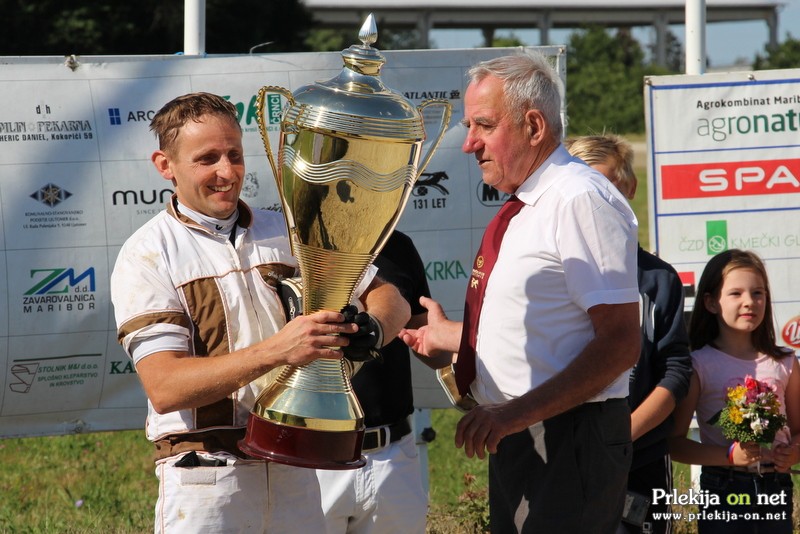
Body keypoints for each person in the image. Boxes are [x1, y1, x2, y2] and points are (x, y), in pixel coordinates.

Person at [109, 92, 410, 534]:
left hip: (297, 465)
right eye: (206, 159)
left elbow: (391, 297)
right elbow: (165, 386)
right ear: (164, 165)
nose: (226, 173)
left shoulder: (286, 230)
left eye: (234, 154)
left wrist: (375, 328)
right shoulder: (148, 253)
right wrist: (278, 351)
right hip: (207, 478)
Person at [400, 51, 641, 532]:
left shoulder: (579, 199)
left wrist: (514, 414)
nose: (469, 144)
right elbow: (547, 322)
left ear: (533, 125)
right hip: (522, 431)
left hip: (565, 435)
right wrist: (451, 335)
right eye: (469, 126)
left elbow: (619, 343)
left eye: (484, 126)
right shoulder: (530, 204)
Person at [566, 134, 692, 534]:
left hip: (640, 463)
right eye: (582, 189)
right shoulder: (552, 276)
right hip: (564, 461)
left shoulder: (659, 279)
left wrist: (621, 436)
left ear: (630, 188)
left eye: (606, 186)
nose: (595, 201)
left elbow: (675, 371)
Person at [316, 230, 446, 534]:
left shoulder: (397, 244)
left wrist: (446, 343)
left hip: (392, 455)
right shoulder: (285, 244)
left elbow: (430, 346)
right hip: (311, 459)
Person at [669, 249, 800, 533]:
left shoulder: (786, 362)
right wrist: (729, 455)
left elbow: (799, 430)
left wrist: (793, 453)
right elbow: (675, 444)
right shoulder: (698, 364)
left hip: (775, 488)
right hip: (721, 489)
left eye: (758, 293)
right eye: (736, 293)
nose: (749, 302)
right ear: (710, 303)